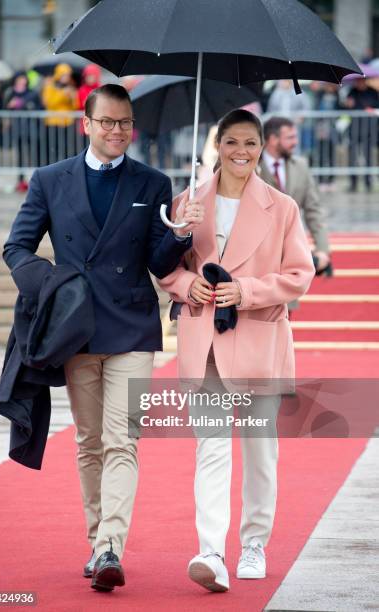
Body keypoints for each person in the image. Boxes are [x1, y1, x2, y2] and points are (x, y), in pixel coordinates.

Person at [2, 84, 202, 592]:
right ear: (85, 124)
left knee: (123, 439)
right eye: (107, 122)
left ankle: (111, 544)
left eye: (125, 123)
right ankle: (99, 545)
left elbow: (159, 264)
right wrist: (48, 288)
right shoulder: (49, 180)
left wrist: (178, 234)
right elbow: (17, 247)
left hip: (133, 326)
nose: (117, 131)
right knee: (90, 441)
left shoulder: (154, 181)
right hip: (74, 328)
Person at [158, 109, 314, 592]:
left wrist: (245, 291)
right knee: (210, 447)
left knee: (260, 451)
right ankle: (210, 550)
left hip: (259, 340)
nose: (240, 152)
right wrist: (188, 282)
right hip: (204, 341)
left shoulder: (282, 206)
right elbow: (165, 270)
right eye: (231, 143)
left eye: (250, 143)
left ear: (262, 148)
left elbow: (298, 275)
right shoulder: (187, 201)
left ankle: (254, 543)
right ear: (217, 145)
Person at [259, 116, 331, 291]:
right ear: (272, 139)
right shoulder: (253, 167)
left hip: (291, 253)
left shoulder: (301, 166)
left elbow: (314, 210)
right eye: (290, 137)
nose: (296, 142)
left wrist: (322, 249)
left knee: (286, 311)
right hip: (260, 255)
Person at [3, 71, 43, 191]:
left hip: (31, 128)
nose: (21, 81)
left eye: (23, 79)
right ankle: (20, 180)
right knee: (20, 155)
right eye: (19, 79)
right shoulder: (10, 93)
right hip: (17, 128)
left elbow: (39, 107)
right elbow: (5, 107)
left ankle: (37, 180)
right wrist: (9, 106)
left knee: (34, 155)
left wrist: (24, 104)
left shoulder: (32, 93)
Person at [342, 77, 379, 192]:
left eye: (361, 81)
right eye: (357, 81)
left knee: (368, 156)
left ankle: (368, 183)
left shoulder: (373, 92)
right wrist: (347, 104)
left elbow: (376, 107)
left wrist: (371, 110)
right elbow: (345, 107)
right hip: (354, 129)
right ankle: (353, 183)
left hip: (369, 129)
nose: (358, 83)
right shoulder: (351, 91)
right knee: (352, 156)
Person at [41, 63, 78, 163]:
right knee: (53, 150)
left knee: (66, 149)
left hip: (67, 123)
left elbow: (75, 106)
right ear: (58, 74)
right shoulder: (50, 86)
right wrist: (62, 94)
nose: (66, 77)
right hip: (53, 122)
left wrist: (72, 97)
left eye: (68, 75)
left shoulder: (71, 87)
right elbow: (49, 103)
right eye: (64, 75)